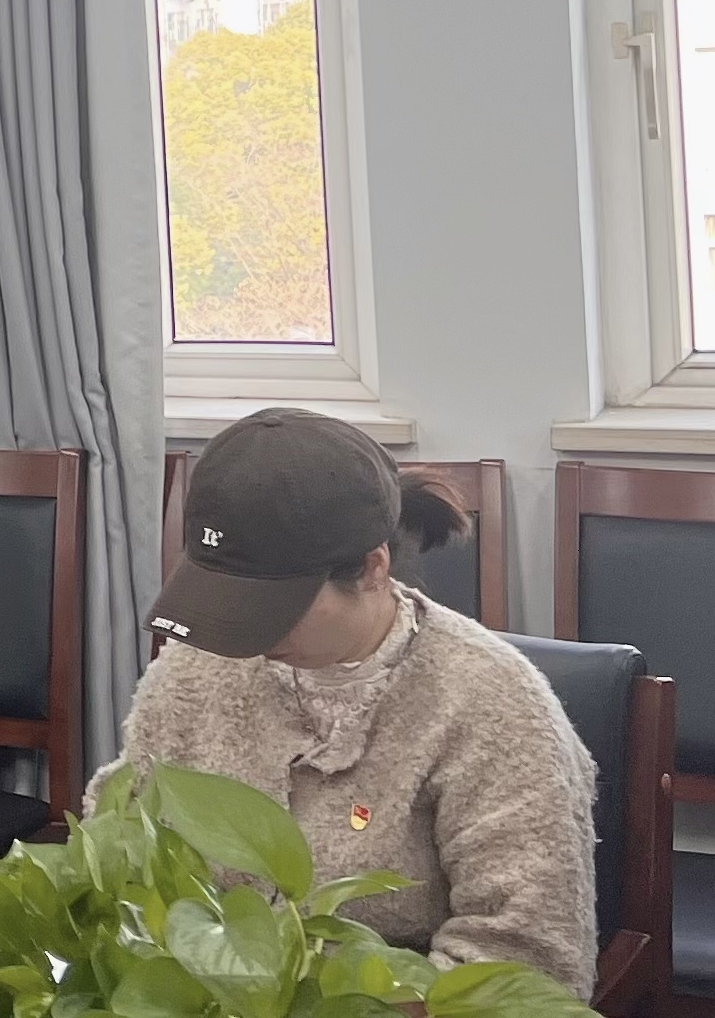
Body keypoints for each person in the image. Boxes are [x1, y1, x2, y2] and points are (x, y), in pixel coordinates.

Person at [106, 407, 597, 995]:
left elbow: (528, 963)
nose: (245, 635)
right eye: (226, 599)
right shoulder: (199, 663)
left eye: (269, 607)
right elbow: (121, 840)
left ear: (371, 568)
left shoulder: (491, 705)